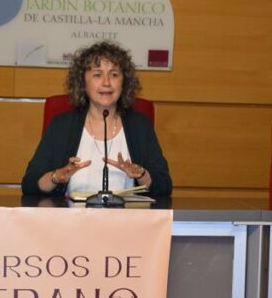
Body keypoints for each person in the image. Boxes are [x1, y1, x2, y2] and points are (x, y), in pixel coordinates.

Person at [22, 41, 172, 197]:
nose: (106, 82)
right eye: (97, 75)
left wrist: (141, 174)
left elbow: (164, 186)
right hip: (73, 219)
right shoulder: (62, 126)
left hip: (125, 219)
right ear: (83, 83)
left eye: (114, 74)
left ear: (124, 82)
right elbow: (30, 184)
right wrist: (56, 177)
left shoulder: (140, 126)